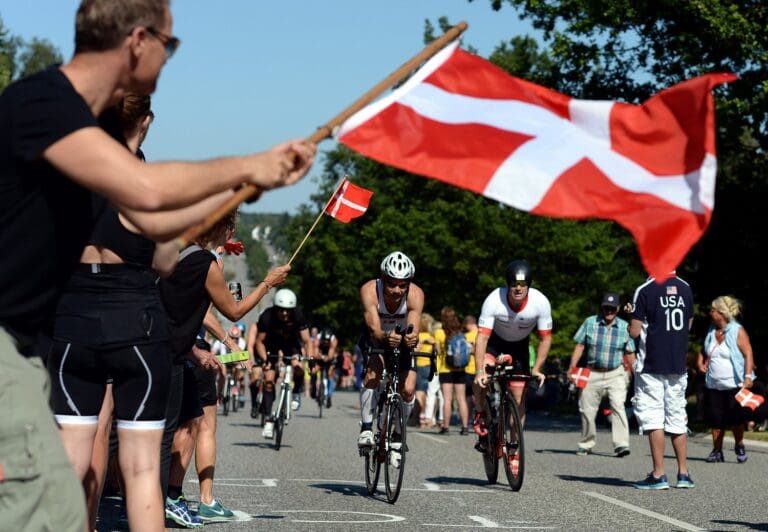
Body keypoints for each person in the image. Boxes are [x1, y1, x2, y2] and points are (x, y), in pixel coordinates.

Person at [0, 1, 315, 529]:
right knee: (42, 501)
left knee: (60, 490)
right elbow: (146, 195)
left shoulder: (78, 129)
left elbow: (156, 231)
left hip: (48, 338)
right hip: (17, 341)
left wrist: (239, 189)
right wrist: (252, 166)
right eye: (170, 46)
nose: (169, 60)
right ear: (137, 40)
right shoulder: (43, 106)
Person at [160, 212, 289, 524]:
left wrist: (193, 352)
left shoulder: (182, 252)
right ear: (223, 227)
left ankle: (157, 498)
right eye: (232, 226)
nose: (234, 231)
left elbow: (171, 307)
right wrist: (268, 283)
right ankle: (160, 500)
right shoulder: (205, 262)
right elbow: (234, 311)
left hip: (173, 348)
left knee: (185, 422)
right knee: (166, 433)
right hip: (166, 353)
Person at [473, 260, 553, 444]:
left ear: (529, 285)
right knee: (481, 375)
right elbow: (482, 338)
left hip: (519, 347)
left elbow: (545, 339)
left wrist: (538, 368)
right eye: (514, 284)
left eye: (523, 284)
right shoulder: (494, 300)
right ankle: (479, 412)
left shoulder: (540, 302)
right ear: (507, 285)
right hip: (494, 343)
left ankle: (514, 448)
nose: (518, 288)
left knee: (518, 400)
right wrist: (479, 371)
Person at [629, 272, 695, 490]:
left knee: (653, 416)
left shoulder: (645, 289)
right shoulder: (685, 288)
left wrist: (631, 315)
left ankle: (659, 474)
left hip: (651, 365)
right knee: (677, 417)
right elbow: (688, 323)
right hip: (677, 363)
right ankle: (683, 473)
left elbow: (634, 331)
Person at [357, 251, 424, 451]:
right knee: (373, 374)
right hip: (376, 337)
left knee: (408, 389)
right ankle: (367, 428)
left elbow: (413, 327)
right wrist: (385, 337)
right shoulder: (369, 290)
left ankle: (397, 433)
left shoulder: (416, 294)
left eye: (402, 285)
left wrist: (411, 338)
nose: (396, 290)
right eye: (392, 284)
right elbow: (374, 329)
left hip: (401, 338)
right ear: (383, 279)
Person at [568, 292, 635, 457]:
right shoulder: (590, 322)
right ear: (602, 307)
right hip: (592, 372)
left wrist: (636, 375)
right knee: (587, 409)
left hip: (616, 373)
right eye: (606, 308)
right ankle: (586, 443)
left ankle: (621, 444)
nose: (609, 311)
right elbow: (580, 346)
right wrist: (572, 367)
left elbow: (630, 352)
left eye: (612, 308)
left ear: (618, 309)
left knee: (618, 406)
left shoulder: (625, 327)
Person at [696, 295, 755, 463]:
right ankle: (717, 451)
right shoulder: (710, 329)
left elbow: (748, 353)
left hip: (734, 384)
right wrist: (700, 362)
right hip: (714, 384)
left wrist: (748, 376)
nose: (710, 313)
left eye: (713, 310)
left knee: (736, 419)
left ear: (721, 313)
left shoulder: (737, 330)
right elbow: (704, 348)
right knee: (716, 419)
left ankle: (739, 444)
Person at [254, 288, 313, 438]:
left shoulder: (298, 315)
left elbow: (307, 341)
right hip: (271, 346)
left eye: (288, 310)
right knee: (268, 380)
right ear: (275, 308)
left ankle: (296, 393)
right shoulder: (267, 316)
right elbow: (259, 342)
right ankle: (268, 419)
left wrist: (309, 360)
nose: (285, 314)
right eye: (281, 310)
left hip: (292, 345)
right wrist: (265, 360)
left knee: (298, 366)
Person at [435, 307, 470, 435]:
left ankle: (446, 427)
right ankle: (465, 427)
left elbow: (438, 352)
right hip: (461, 368)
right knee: (461, 398)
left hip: (446, 368)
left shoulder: (439, 332)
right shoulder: (461, 332)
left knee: (447, 399)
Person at [415, 313, 437, 429]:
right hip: (430, 365)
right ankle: (431, 416)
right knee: (431, 393)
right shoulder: (431, 337)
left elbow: (414, 349)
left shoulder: (417, 336)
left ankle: (421, 416)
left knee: (420, 391)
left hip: (419, 364)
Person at [311, 327, 339, 408]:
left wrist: (327, 358)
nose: (326, 342)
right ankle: (314, 389)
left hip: (329, 354)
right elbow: (315, 353)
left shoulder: (334, 340)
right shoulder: (317, 338)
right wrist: (318, 356)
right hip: (320, 352)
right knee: (314, 370)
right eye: (325, 340)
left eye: (328, 341)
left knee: (330, 373)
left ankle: (329, 396)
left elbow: (330, 354)